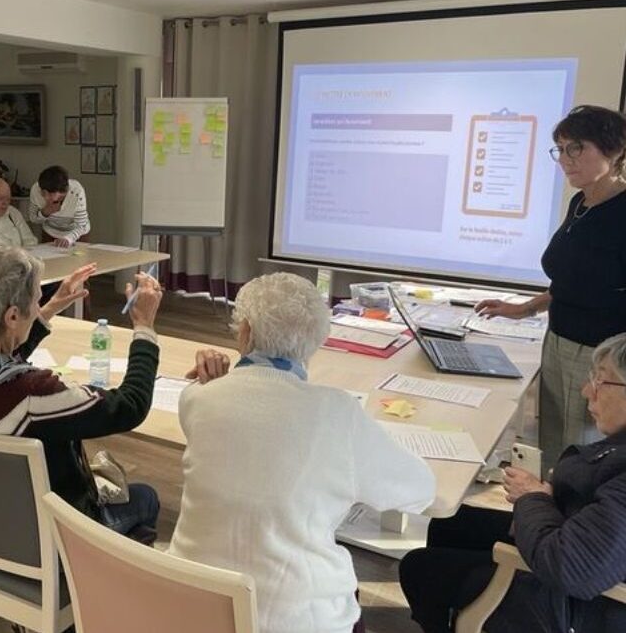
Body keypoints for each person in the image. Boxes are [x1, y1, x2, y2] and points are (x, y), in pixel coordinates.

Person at [167, 272, 435, 633]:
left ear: (244, 332)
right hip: (295, 620)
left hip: (192, 607)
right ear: (318, 339)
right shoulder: (338, 413)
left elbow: (244, 432)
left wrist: (218, 382)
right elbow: (420, 491)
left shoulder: (197, 399)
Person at [0, 237, 162, 539]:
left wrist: (46, 311)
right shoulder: (34, 393)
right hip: (43, 538)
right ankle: (92, 582)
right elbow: (130, 406)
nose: (37, 307)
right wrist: (144, 327)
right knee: (146, 498)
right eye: (35, 302)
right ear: (11, 316)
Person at [399, 332, 626, 633]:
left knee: (419, 568)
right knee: (449, 523)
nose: (587, 391)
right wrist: (544, 500)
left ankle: (474, 615)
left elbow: (571, 567)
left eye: (600, 381)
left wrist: (533, 498)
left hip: (572, 605)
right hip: (571, 533)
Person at [476, 105, 626, 472]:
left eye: (577, 148)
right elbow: (570, 282)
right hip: (558, 339)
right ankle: (547, 509)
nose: (565, 159)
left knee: (584, 453)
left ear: (614, 150)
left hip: (600, 354)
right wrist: (522, 309)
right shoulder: (581, 202)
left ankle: (576, 524)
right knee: (554, 443)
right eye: (560, 149)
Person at [28, 165, 90, 247]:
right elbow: (33, 219)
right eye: (43, 193)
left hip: (76, 234)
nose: (46, 197)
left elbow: (82, 225)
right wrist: (45, 212)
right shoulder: (36, 189)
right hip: (49, 232)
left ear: (63, 192)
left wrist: (68, 238)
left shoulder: (76, 191)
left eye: (50, 194)